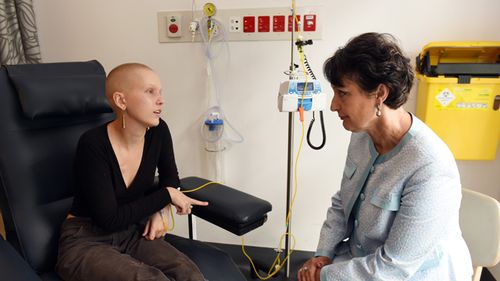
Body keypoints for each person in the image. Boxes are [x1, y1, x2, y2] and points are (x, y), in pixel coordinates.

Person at [298, 33, 472, 281]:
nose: (333, 105)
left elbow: (394, 267)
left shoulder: (429, 166)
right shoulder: (362, 134)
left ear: (380, 93)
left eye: (343, 93)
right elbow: (342, 202)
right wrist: (322, 255)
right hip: (364, 262)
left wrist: (323, 276)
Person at [56, 63, 208, 281]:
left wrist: (161, 211)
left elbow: (169, 177)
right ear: (121, 100)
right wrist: (167, 196)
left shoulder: (158, 131)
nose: (161, 100)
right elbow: (109, 219)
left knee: (188, 273)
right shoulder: (93, 144)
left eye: (160, 91)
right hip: (85, 239)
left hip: (132, 232)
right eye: (150, 91)